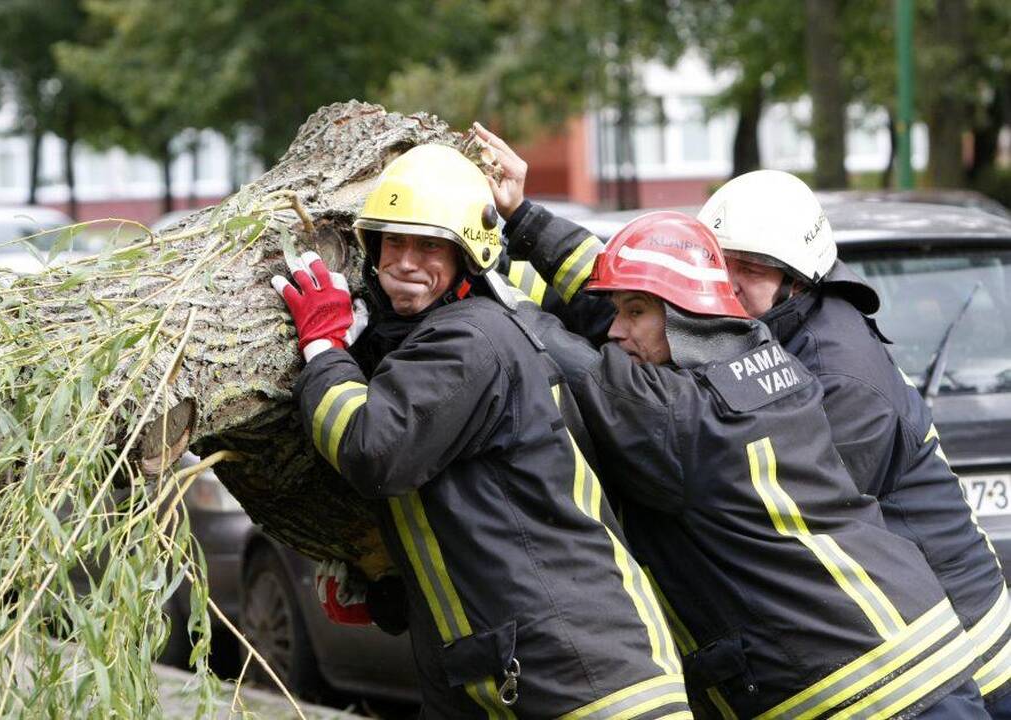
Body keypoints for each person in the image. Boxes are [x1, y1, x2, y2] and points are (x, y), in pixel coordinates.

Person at [508, 208, 986, 719]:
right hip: (921, 652)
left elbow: (578, 365)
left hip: (863, 689)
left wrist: (493, 285)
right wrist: (524, 218)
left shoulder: (682, 416)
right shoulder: (765, 358)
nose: (615, 332)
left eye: (635, 313)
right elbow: (636, 335)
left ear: (687, 318)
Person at [272, 143, 691, 718]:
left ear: (470, 255)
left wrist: (323, 347)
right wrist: (385, 590)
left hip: (584, 681)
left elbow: (374, 449)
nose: (405, 262)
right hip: (531, 677)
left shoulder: (470, 342)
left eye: (429, 246)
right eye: (392, 242)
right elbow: (476, 522)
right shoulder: (439, 342)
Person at [696, 170, 1011, 716]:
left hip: (963, 659)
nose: (731, 282)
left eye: (749, 268)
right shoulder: (773, 337)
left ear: (798, 281)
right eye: (720, 264)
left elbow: (785, 512)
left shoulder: (838, 374)